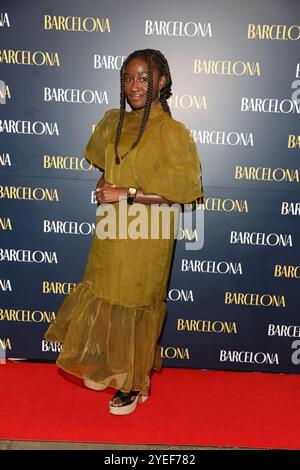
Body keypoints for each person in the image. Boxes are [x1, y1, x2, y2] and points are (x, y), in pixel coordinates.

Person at [44, 48, 204, 416]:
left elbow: (182, 192)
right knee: (106, 293)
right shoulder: (113, 121)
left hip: (148, 232)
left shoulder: (173, 133)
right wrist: (106, 184)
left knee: (135, 302)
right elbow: (107, 164)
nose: (134, 86)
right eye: (129, 78)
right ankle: (115, 368)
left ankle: (133, 385)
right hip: (112, 229)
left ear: (161, 82)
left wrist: (126, 193)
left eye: (144, 78)